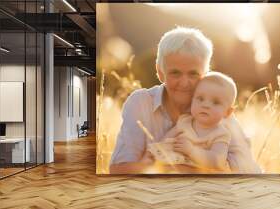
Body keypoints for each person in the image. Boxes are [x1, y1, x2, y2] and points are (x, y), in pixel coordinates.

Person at [109, 27, 260, 174]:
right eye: (175, 73)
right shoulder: (141, 103)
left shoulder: (216, 110)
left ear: (205, 74)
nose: (184, 83)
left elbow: (249, 169)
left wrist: (177, 169)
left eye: (193, 74)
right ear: (160, 72)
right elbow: (117, 170)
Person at [150, 72, 237, 173]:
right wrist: (160, 150)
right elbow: (165, 140)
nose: (206, 105)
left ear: (228, 112)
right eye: (200, 99)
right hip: (178, 167)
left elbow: (217, 161)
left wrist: (191, 151)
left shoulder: (220, 134)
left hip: (204, 175)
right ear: (192, 100)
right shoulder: (184, 122)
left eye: (216, 102)